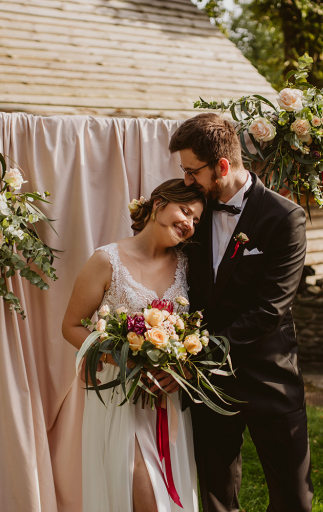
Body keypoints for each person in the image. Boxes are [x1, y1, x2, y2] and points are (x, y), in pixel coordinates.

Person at [169, 113, 313, 512]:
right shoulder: (191, 213)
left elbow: (270, 308)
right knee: (216, 496)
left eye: (192, 171)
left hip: (269, 376)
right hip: (209, 384)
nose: (187, 181)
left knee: (293, 499)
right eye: (184, 171)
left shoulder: (285, 217)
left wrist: (201, 351)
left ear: (222, 166)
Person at [61, 179, 205, 512]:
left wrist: (182, 368)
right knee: (142, 493)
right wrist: (126, 360)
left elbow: (198, 329)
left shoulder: (188, 264)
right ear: (159, 205)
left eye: (196, 220)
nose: (189, 223)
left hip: (168, 396)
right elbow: (71, 326)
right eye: (185, 211)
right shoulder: (106, 260)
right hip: (121, 394)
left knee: (166, 493)